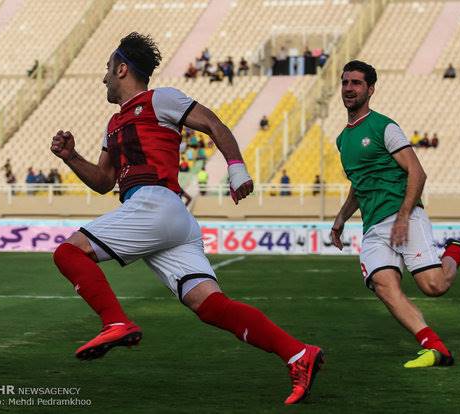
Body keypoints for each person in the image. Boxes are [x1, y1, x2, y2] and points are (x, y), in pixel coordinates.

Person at [49, 33, 323, 405]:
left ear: (123, 68)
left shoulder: (160, 98)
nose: (104, 78)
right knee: (209, 305)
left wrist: (237, 168)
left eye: (107, 70)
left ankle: (115, 322)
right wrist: (71, 157)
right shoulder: (112, 124)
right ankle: (298, 353)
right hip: (167, 217)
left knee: (68, 253)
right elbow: (103, 181)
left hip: (154, 203)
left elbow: (212, 123)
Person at [331, 60, 460, 369]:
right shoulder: (342, 139)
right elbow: (359, 185)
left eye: (356, 83)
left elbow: (417, 172)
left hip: (403, 216)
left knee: (434, 286)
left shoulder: (384, 127)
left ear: (370, 89)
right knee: (383, 286)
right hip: (373, 227)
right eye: (345, 82)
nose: (349, 88)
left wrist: (404, 216)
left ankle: (455, 251)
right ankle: (435, 348)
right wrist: (340, 219)